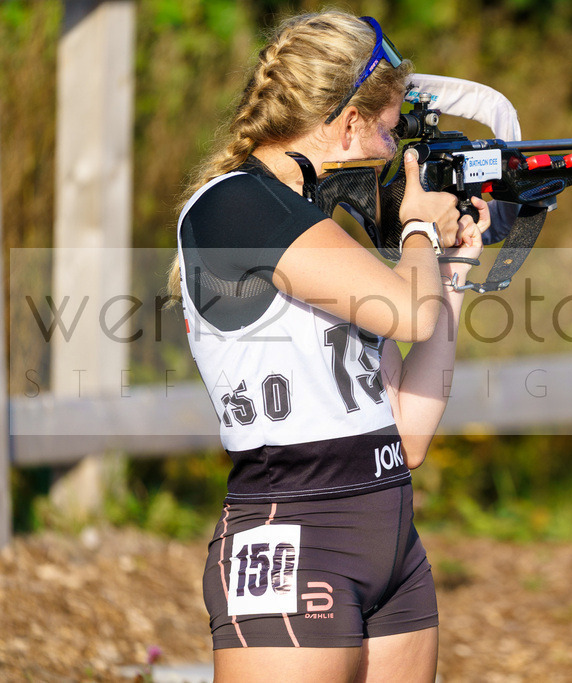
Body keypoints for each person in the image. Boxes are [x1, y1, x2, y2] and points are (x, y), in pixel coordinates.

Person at [167, 10, 488, 682]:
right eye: (387, 126)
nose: (393, 145)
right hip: (294, 533)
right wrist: (418, 233)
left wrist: (451, 267)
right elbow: (405, 310)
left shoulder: (318, 225)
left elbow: (410, 432)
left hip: (389, 529)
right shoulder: (236, 205)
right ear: (345, 122)